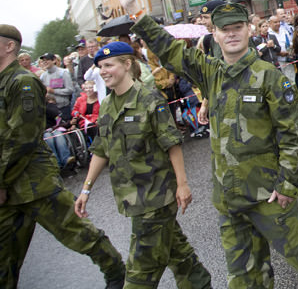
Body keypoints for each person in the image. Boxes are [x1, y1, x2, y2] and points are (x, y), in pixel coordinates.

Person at [114, 0, 298, 289]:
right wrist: (136, 11)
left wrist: (289, 184)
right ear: (216, 35)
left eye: (237, 28)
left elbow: (291, 135)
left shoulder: (270, 78)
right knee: (244, 279)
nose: (232, 35)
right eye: (225, 30)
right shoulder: (210, 72)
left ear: (248, 31)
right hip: (229, 198)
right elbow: (169, 49)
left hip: (268, 194)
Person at [74, 41, 212, 289]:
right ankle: (199, 284)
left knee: (140, 273)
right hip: (131, 198)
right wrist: (85, 189)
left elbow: (172, 143)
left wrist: (182, 185)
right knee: (178, 254)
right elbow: (101, 150)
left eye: (108, 65)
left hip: (155, 197)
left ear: (127, 65)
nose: (103, 71)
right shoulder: (107, 105)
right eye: (99, 67)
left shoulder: (149, 99)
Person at [0, 24, 127, 288]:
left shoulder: (22, 82)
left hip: (34, 181)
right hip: (8, 186)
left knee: (77, 233)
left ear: (10, 46)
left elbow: (22, 138)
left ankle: (116, 271)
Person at [39, 52, 76, 119]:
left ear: (54, 60)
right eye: (43, 61)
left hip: (63, 109)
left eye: (47, 60)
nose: (45, 62)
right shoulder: (43, 76)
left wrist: (54, 91)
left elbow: (70, 90)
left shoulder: (63, 73)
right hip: (50, 110)